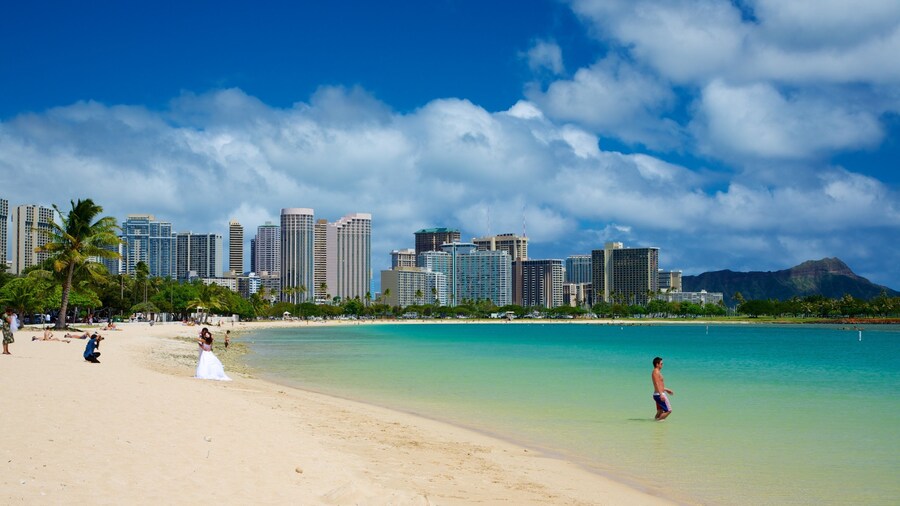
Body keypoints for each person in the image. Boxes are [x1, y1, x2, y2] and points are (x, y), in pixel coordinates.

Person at [652, 356, 674, 421]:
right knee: (669, 410)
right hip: (659, 394)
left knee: (660, 411)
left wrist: (666, 389)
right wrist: (661, 394)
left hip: (657, 394)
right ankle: (658, 423)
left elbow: (659, 384)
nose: (662, 365)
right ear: (657, 364)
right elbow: (656, 383)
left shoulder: (657, 372)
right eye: (661, 363)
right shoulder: (655, 372)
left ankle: (654, 424)